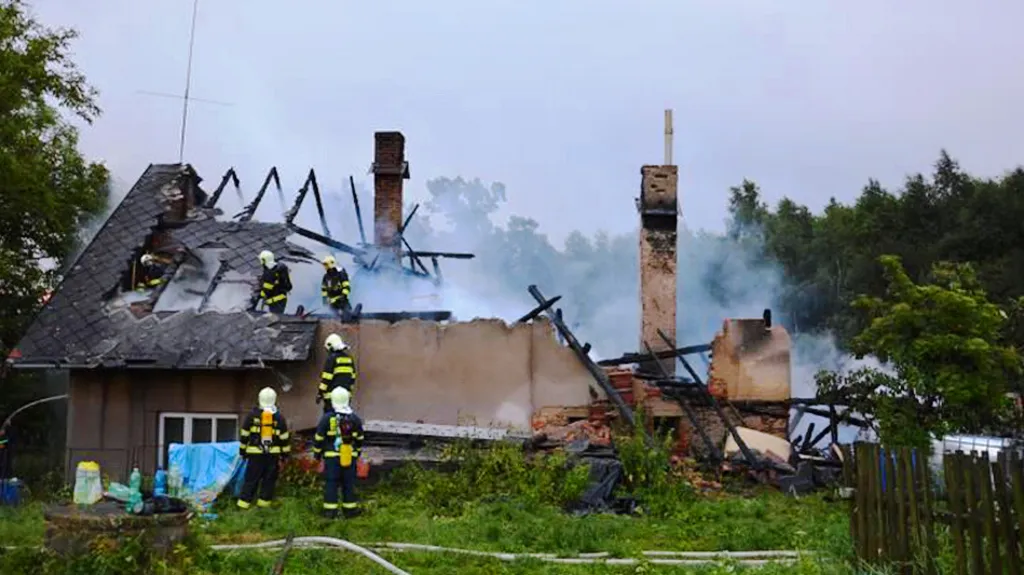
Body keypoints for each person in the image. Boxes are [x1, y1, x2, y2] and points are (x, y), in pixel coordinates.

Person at [313, 386, 364, 519]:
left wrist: (317, 455)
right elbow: (359, 439)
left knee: (331, 483)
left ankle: (330, 512)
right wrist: (357, 453)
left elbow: (319, 438)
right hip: (349, 456)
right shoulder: (355, 419)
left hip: (331, 458)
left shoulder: (326, 418)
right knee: (349, 483)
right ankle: (350, 511)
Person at [236, 387, 291, 510]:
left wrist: (243, 451)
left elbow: (244, 435)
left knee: (251, 480)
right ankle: (263, 508)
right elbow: (284, 439)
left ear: (259, 399)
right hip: (272, 456)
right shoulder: (279, 418)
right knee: (268, 481)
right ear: (274, 400)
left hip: (255, 455)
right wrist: (285, 455)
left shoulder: (251, 416)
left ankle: (242, 507)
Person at [317, 333, 356, 413]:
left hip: (331, 397)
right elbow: (353, 378)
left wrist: (320, 393)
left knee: (330, 419)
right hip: (346, 397)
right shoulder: (349, 359)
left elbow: (326, 379)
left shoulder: (331, 359)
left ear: (331, 347)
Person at [320, 255, 352, 319]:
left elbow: (347, 287)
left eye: (326, 264)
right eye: (324, 264)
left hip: (343, 302)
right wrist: (324, 299)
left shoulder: (341, 274)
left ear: (331, 263)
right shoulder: (326, 277)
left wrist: (343, 296)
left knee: (348, 318)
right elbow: (324, 289)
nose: (325, 266)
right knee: (335, 319)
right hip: (332, 303)